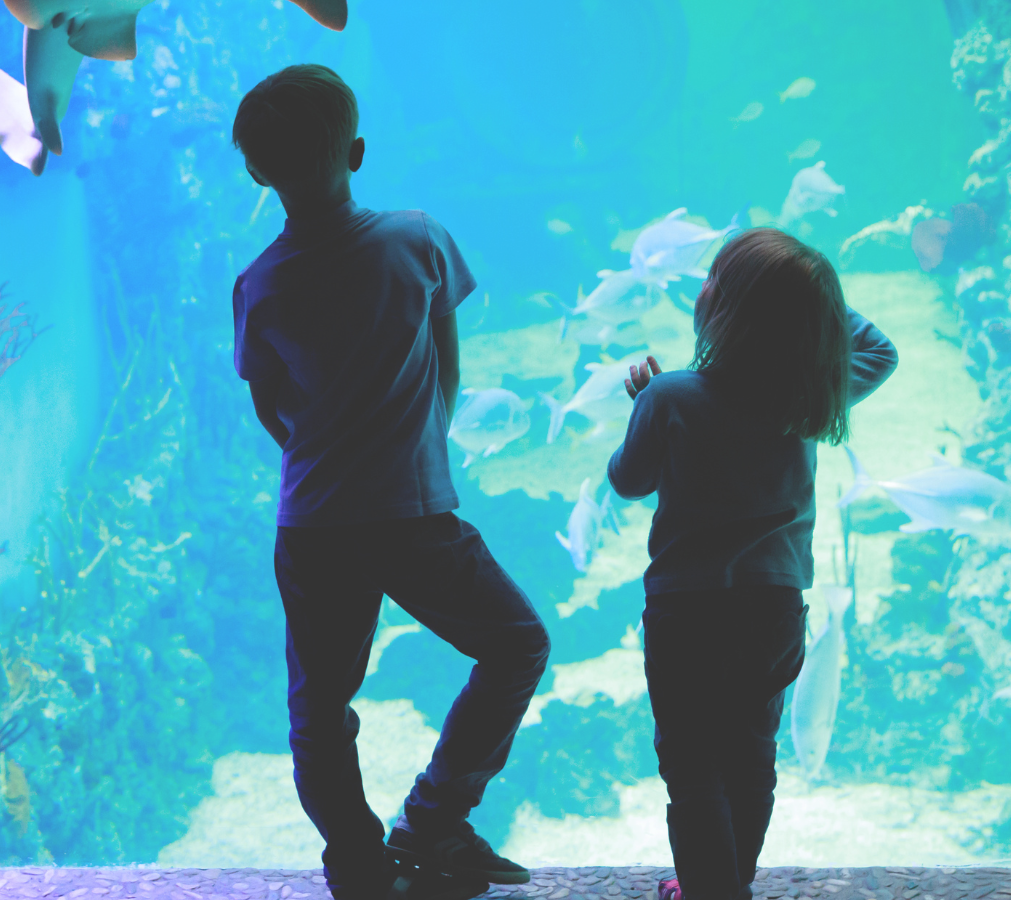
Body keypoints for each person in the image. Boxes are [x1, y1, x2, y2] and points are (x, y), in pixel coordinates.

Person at [229, 64, 551, 900]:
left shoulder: (259, 285)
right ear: (358, 152)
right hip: (411, 514)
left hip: (313, 525)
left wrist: (330, 451)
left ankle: (357, 864)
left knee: (320, 709)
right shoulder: (418, 239)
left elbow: (275, 410)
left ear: (258, 174)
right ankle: (436, 821)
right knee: (517, 644)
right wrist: (419, 446)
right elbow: (448, 362)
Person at [607, 228, 898, 900]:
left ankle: (711, 891)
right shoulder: (808, 395)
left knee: (693, 764)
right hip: (773, 610)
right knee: (750, 757)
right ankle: (726, 883)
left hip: (688, 613)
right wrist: (811, 301)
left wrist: (643, 409)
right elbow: (879, 349)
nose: (700, 283)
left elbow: (628, 480)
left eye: (712, 278)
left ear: (724, 310)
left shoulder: (671, 397)